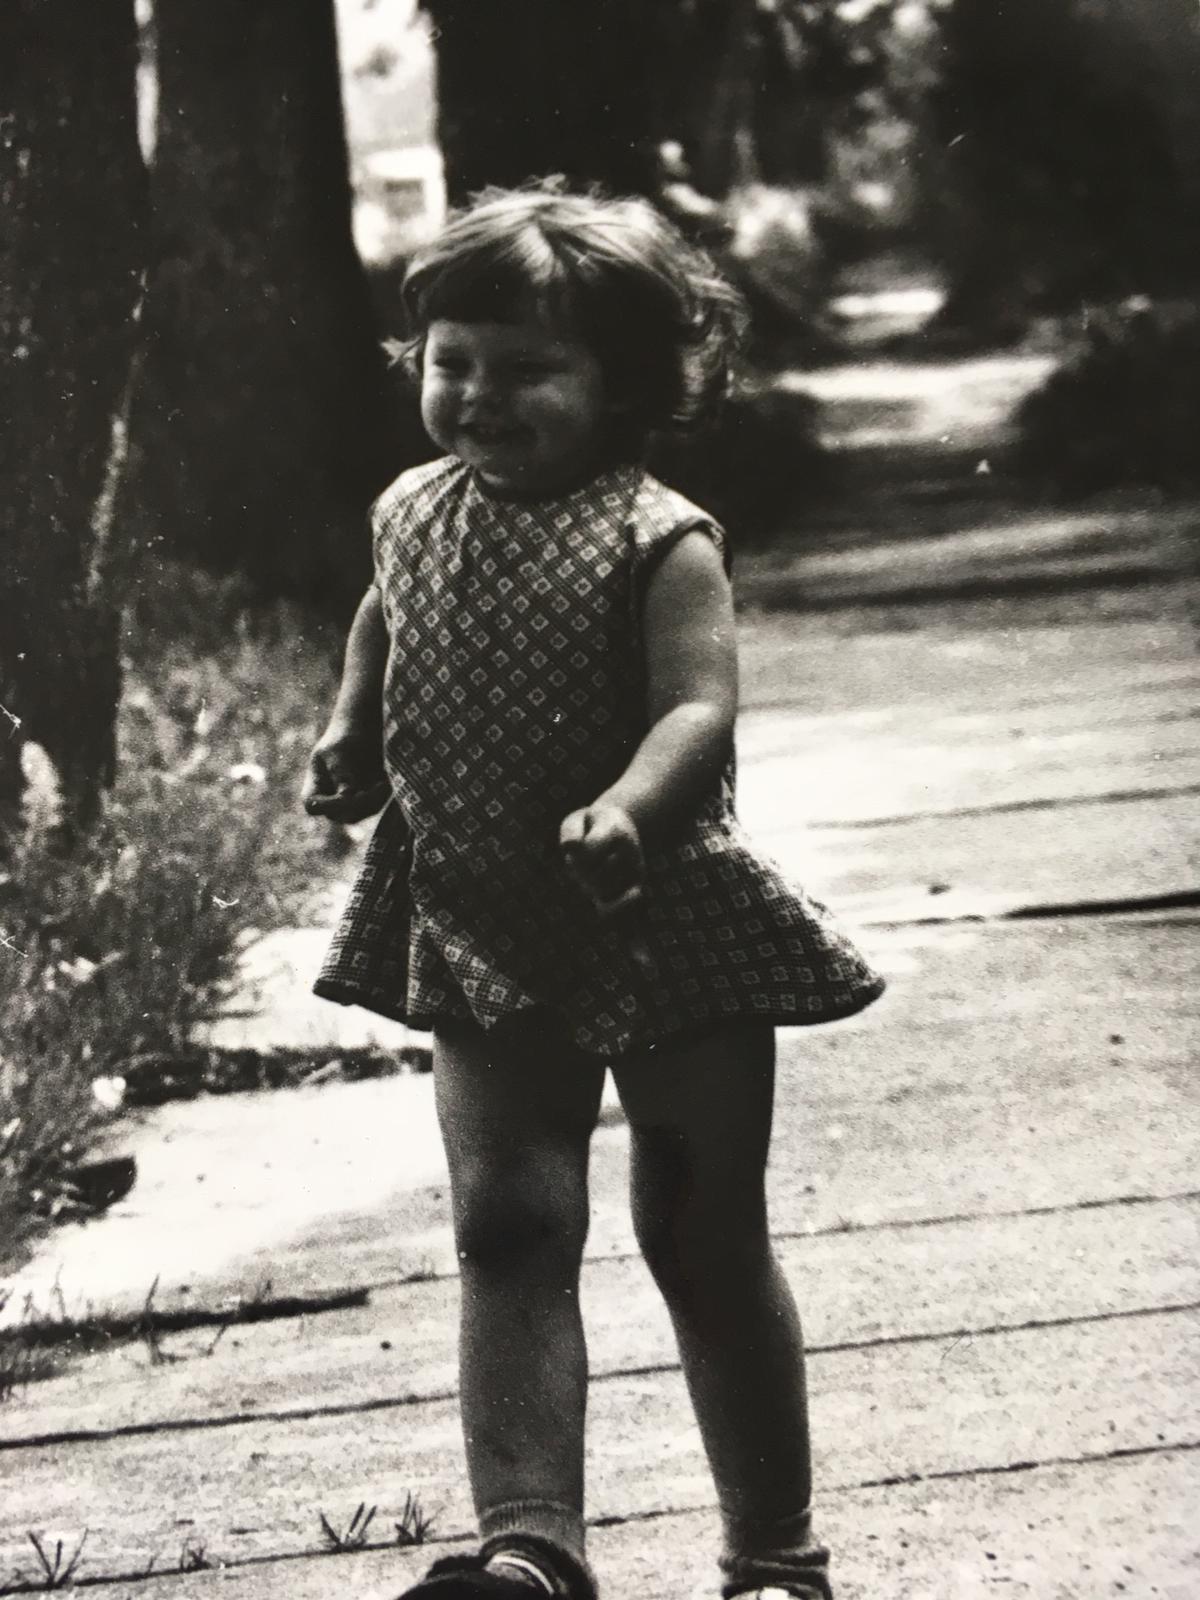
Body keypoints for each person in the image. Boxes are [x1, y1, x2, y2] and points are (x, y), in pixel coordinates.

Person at [303, 182, 885, 1600]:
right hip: (482, 920)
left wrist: (631, 806)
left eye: (526, 370)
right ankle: (531, 1549)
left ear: (623, 383)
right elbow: (386, 615)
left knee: (699, 1230)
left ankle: (775, 1555)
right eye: (453, 362)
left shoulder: (657, 536)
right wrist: (351, 723)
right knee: (506, 1224)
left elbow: (700, 705)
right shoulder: (411, 508)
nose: (478, 397)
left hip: (665, 922)